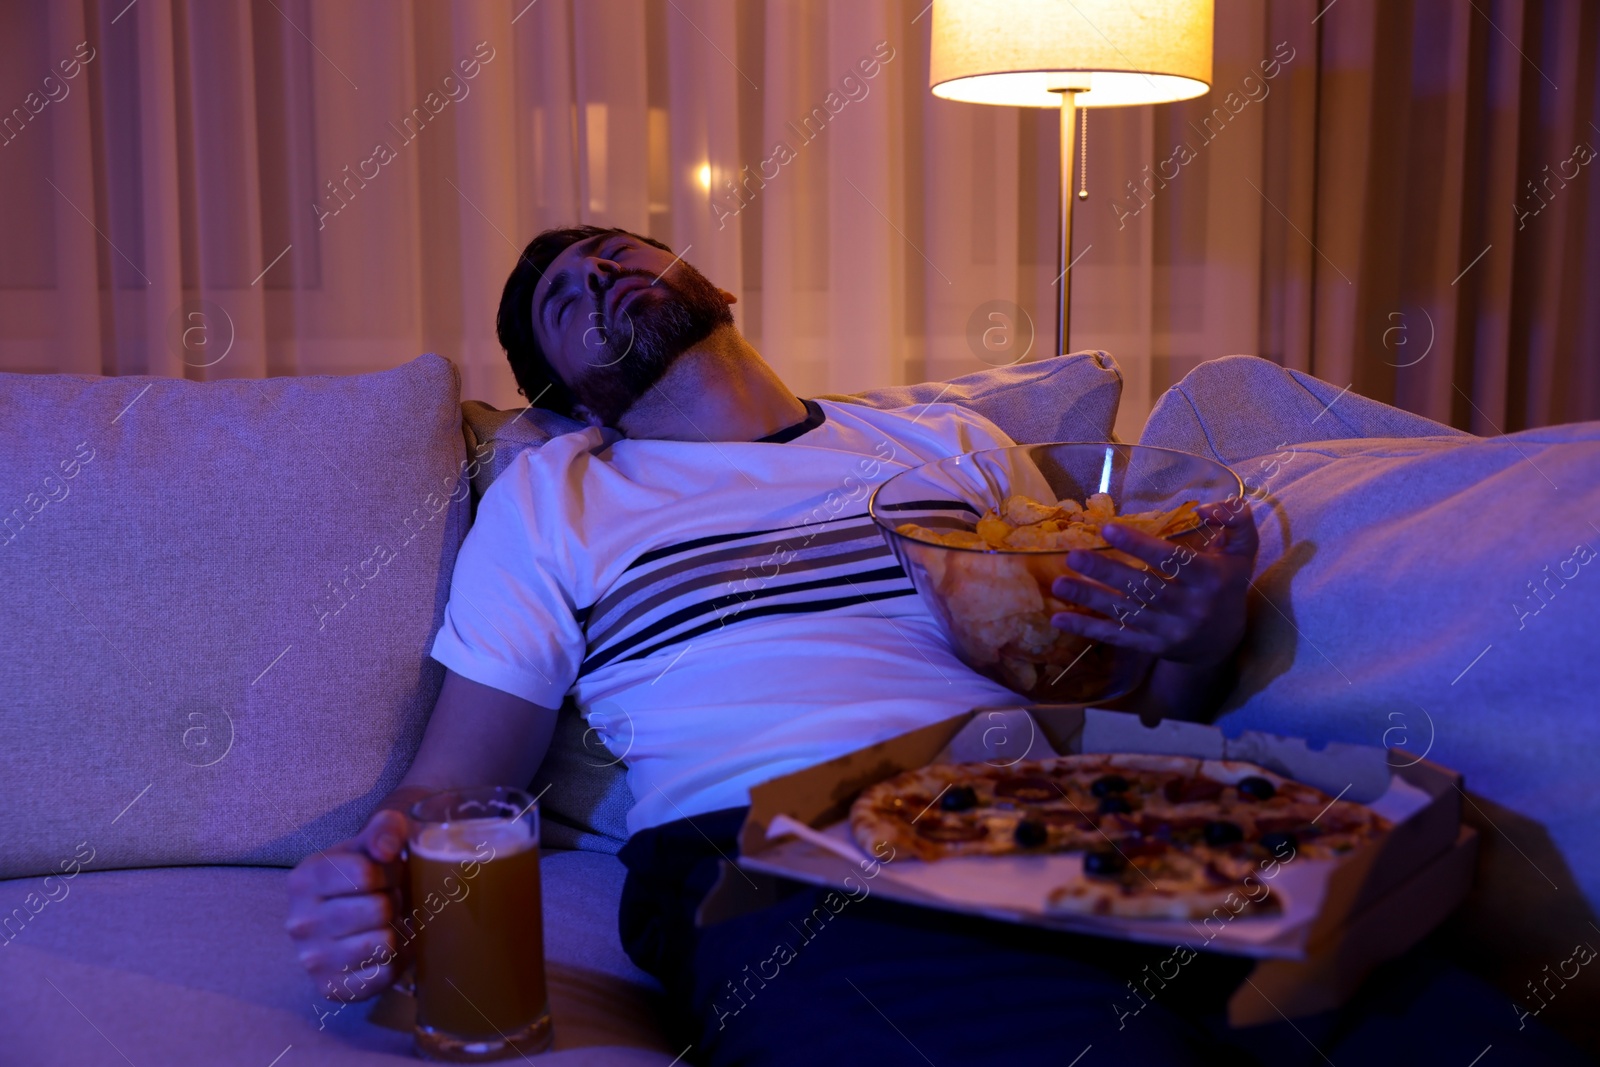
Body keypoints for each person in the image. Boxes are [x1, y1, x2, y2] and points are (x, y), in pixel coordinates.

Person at [281, 226, 1583, 1065]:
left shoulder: (946, 449)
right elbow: (456, 784)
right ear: (567, 389)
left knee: (1454, 1040)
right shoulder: (561, 495)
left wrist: (1195, 636)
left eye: (619, 250)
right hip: (778, 848)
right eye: (566, 298)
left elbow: (1102, 684)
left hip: (1070, 803)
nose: (604, 274)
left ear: (709, 279)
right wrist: (378, 873)